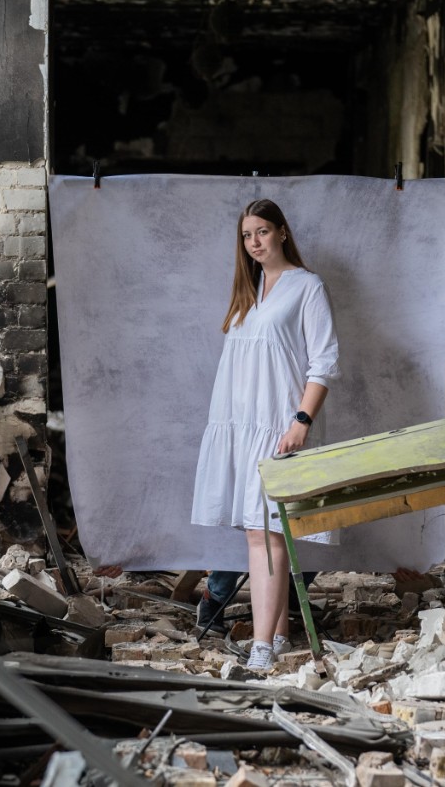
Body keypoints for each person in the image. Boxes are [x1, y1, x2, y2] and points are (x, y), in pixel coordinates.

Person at [190, 198, 341, 671]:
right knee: (262, 533)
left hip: (278, 426)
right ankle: (276, 636)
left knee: (268, 535)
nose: (254, 242)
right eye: (246, 235)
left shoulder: (307, 287)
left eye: (261, 232)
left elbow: (324, 362)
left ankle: (259, 651)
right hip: (240, 426)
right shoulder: (249, 290)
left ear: (281, 232)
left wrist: (301, 421)